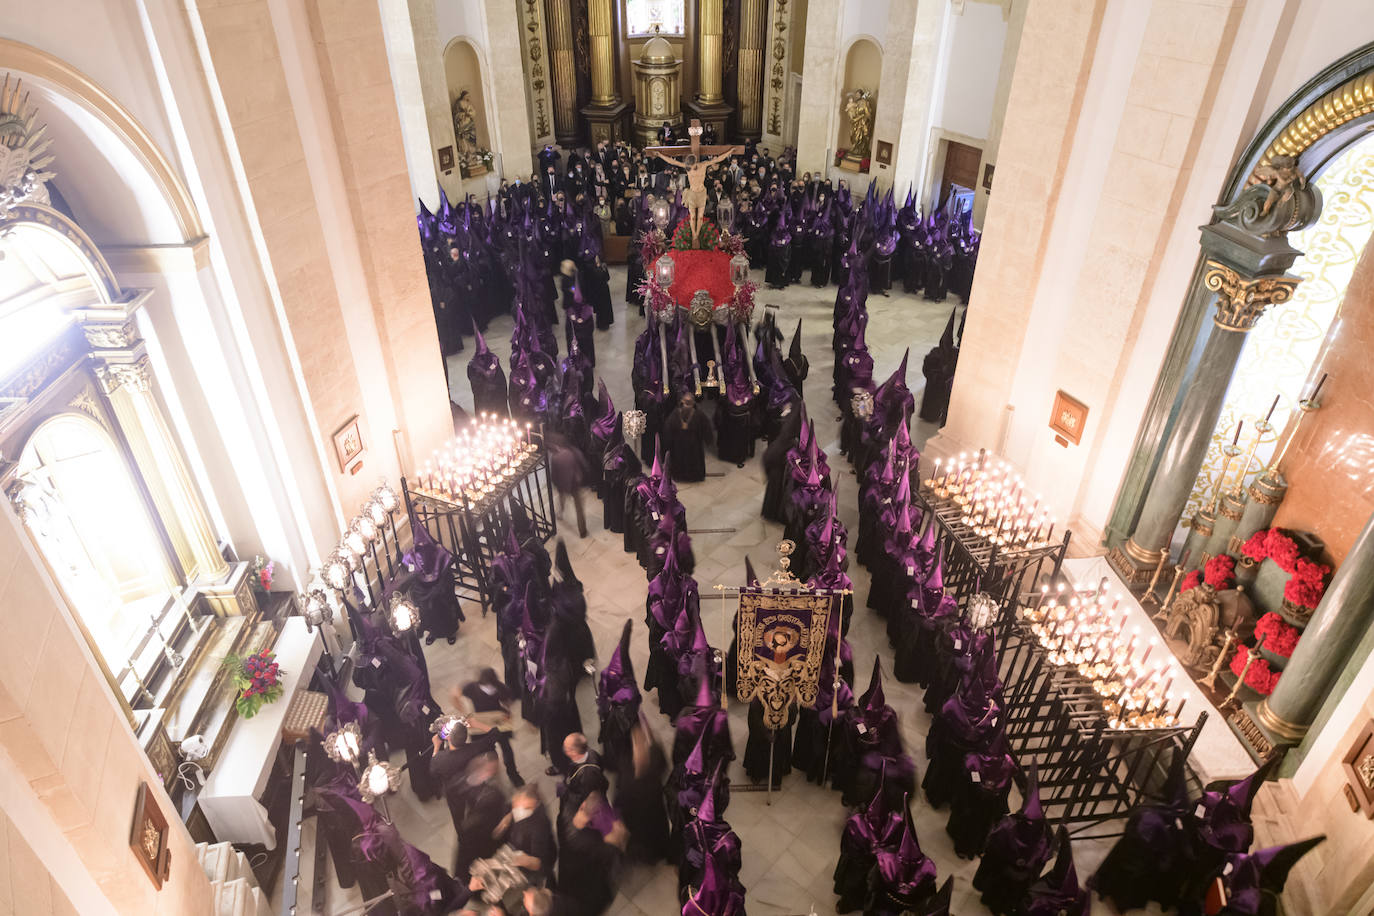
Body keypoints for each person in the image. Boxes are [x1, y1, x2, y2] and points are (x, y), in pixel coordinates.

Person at [459, 670, 524, 786]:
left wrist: (507, 712)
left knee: (506, 749)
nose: (489, 690)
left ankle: (512, 773)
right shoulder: (471, 688)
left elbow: (507, 701)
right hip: (481, 724)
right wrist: (464, 712)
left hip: (496, 721)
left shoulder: (500, 688)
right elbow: (455, 693)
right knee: (487, 750)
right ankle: (491, 772)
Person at [494, 785, 558, 888]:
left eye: (525, 808)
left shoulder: (539, 827)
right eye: (515, 807)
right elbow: (514, 806)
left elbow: (539, 862)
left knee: (539, 881)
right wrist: (509, 816)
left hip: (539, 863)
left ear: (534, 806)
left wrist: (523, 860)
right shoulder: (519, 807)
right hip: (522, 850)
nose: (517, 811)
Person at [553, 732, 609, 830]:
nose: (564, 750)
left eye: (566, 748)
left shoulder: (587, 776)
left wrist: (565, 792)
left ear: (574, 752)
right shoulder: (591, 752)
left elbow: (587, 799)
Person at [661, 393, 715, 483]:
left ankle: (693, 477)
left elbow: (707, 429)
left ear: (693, 403)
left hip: (694, 446)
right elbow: (668, 430)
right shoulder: (675, 415)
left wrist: (708, 440)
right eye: (686, 403)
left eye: (689, 403)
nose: (687, 406)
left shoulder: (699, 415)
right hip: (679, 447)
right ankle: (681, 477)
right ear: (682, 402)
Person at [546, 431, 591, 538]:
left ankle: (560, 513)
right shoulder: (573, 451)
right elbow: (584, 464)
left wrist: (556, 485)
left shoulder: (555, 458)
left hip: (563, 486)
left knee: (561, 499)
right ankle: (582, 531)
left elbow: (554, 475)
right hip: (575, 484)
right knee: (579, 508)